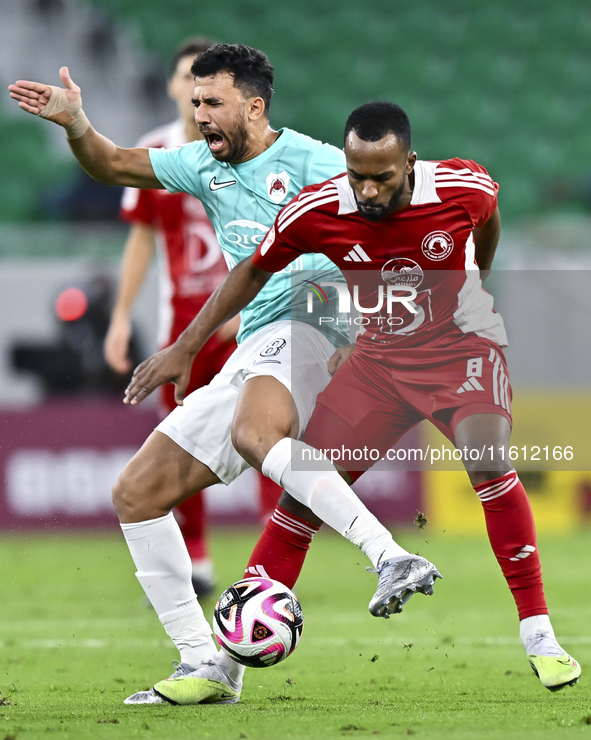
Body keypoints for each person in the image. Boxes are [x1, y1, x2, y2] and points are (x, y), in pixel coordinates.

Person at [8, 46, 439, 706]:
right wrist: (76, 125)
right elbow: (115, 164)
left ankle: (390, 556)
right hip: (255, 340)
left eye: (212, 103)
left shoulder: (317, 163)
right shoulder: (201, 165)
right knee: (138, 493)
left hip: (314, 321)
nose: (199, 114)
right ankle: (205, 666)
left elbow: (401, 210)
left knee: (254, 432)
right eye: (194, 103)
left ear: (254, 106)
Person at [128, 101, 580, 704]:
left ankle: (540, 636)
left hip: (458, 353)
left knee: (487, 460)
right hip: (380, 366)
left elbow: (489, 218)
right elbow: (252, 273)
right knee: (301, 497)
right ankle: (222, 671)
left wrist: (478, 279)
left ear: (409, 164)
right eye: (357, 174)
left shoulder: (462, 187)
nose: (367, 189)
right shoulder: (318, 209)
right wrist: (188, 343)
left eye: (382, 177)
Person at [104, 38, 280, 597]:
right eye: (186, 82)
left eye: (204, 87)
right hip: (183, 323)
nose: (194, 95)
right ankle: (197, 556)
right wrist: (120, 317)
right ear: (176, 87)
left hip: (249, 319)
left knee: (266, 437)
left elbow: (280, 244)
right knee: (181, 438)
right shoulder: (162, 156)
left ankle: (269, 558)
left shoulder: (260, 155)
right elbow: (141, 242)